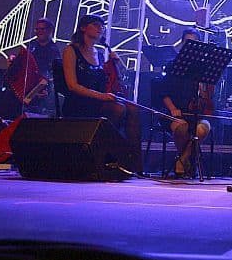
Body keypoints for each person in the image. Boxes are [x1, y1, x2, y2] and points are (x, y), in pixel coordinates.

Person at [61, 14, 141, 170]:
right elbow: (72, 86)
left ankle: (134, 164)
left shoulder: (98, 53)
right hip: (79, 103)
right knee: (117, 109)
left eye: (102, 26)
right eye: (95, 24)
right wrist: (102, 96)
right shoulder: (71, 50)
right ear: (83, 27)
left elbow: (109, 81)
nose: (100, 28)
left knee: (132, 109)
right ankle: (105, 156)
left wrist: (117, 65)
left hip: (98, 101)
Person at [159, 28, 212, 177]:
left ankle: (182, 159)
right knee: (182, 128)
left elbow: (207, 97)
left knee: (202, 129)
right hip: (173, 113)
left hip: (194, 114)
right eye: (187, 42)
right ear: (182, 43)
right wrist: (173, 109)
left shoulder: (202, 68)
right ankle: (186, 162)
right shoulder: (172, 65)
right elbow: (163, 93)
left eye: (194, 43)